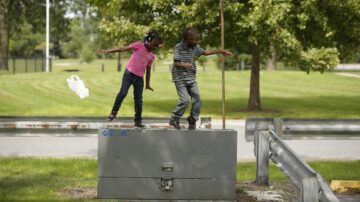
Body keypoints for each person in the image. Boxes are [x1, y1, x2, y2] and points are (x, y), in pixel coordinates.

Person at [169, 27, 232, 130]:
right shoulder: (178, 47)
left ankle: (192, 119)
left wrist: (219, 51)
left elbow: (205, 52)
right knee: (184, 100)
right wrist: (185, 65)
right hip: (179, 78)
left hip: (191, 77)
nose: (197, 42)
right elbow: (176, 62)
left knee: (197, 99)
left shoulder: (195, 47)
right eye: (195, 39)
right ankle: (174, 119)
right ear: (188, 39)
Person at [98, 31, 163, 127]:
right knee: (123, 93)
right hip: (129, 74)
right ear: (148, 41)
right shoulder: (139, 45)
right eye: (153, 45)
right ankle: (113, 112)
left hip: (139, 78)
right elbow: (123, 49)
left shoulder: (151, 56)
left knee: (138, 100)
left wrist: (147, 84)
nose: (154, 47)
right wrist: (109, 51)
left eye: (156, 46)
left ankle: (138, 121)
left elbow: (148, 70)